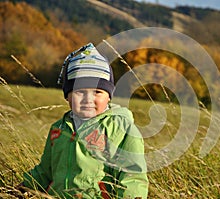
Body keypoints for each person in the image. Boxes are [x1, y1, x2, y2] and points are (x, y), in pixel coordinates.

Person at [20, 43, 149, 198]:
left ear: (109, 96)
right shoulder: (58, 129)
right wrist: (23, 188)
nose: (88, 99)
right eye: (80, 92)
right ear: (67, 96)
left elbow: (133, 176)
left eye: (97, 92)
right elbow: (45, 171)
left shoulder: (121, 129)